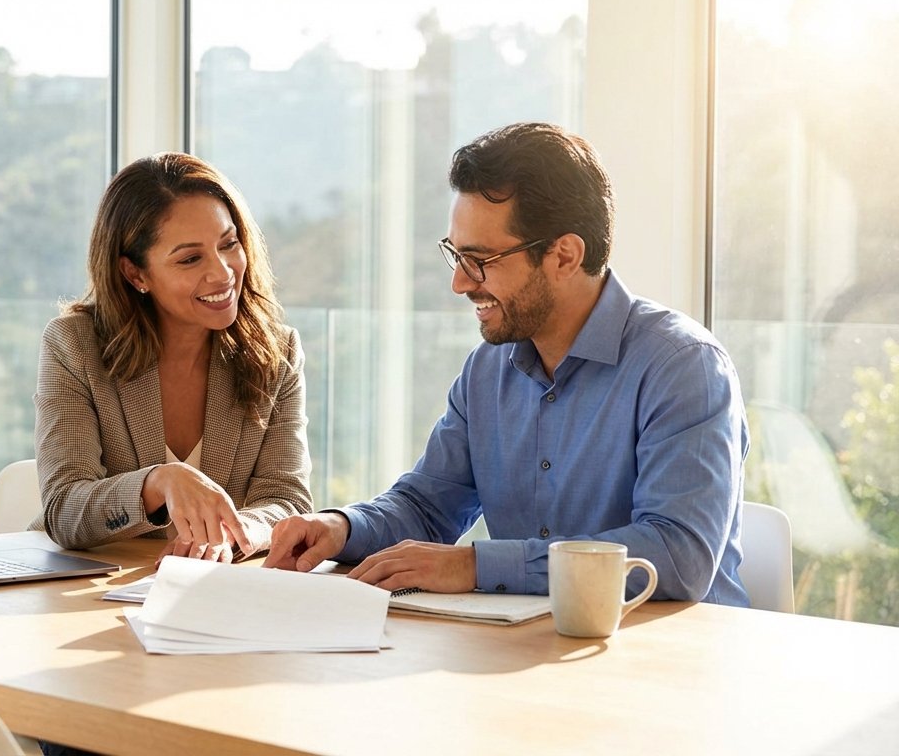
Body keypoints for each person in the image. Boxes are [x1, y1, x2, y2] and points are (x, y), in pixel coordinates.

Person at [265, 122, 750, 606]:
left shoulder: (684, 367)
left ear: (564, 256)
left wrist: (477, 565)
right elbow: (427, 505)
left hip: (671, 661)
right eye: (455, 255)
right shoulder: (488, 370)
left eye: (479, 259)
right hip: (532, 649)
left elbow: (678, 556)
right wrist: (340, 526)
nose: (459, 282)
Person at [33, 151, 313, 566]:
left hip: (208, 593)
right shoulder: (74, 345)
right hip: (83, 587)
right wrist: (159, 482)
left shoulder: (277, 352)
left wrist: (230, 535)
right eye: (189, 258)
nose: (222, 273)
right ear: (136, 274)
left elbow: (287, 499)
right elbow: (65, 507)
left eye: (229, 243)